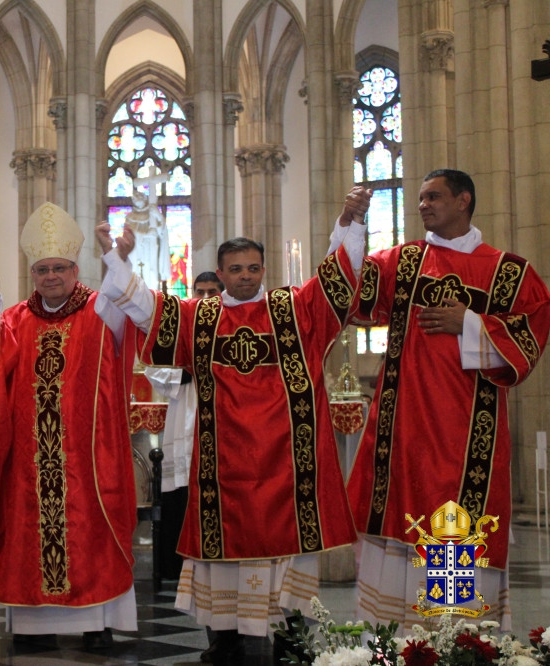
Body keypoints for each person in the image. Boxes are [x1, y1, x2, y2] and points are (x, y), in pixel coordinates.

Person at [98, 187, 371, 664]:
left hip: (288, 462)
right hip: (223, 466)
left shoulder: (295, 309)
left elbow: (338, 282)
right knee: (219, 554)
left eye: (253, 268)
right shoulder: (199, 317)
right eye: (235, 269)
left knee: (287, 554)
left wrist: (348, 223)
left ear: (263, 270)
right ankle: (224, 637)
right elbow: (145, 308)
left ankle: (292, 636)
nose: (245, 277)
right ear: (219, 273)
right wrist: (116, 261)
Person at [346, 169, 550, 630]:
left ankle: (454, 640)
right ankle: (398, 644)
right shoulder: (402, 261)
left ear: (464, 200)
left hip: (467, 434)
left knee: (453, 526)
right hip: (403, 429)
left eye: (433, 197)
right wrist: (352, 226)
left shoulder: (507, 270)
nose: (422, 205)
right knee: (400, 522)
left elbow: (533, 330)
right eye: (419, 198)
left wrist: (472, 323)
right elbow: (351, 294)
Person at [0, 201, 139, 650]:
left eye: (59, 268)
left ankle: (95, 622)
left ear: (76, 269)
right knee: (28, 533)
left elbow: (130, 306)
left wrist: (116, 259)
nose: (51, 277)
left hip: (85, 457)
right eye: (42, 270)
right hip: (30, 460)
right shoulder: (17, 317)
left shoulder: (101, 310)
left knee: (90, 533)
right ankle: (33, 627)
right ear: (33, 273)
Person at [143, 272, 222, 580]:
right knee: (182, 495)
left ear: (221, 293)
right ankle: (177, 568)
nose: (204, 298)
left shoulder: (232, 323)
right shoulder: (180, 324)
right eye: (199, 291)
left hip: (221, 422)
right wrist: (182, 375)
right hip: (184, 416)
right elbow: (152, 365)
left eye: (212, 292)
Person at [125, 187, 170, 290]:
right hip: (135, 251)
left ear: (145, 199)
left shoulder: (152, 214)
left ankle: (153, 295)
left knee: (151, 271)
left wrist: (158, 215)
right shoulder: (129, 217)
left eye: (139, 196)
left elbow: (162, 231)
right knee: (134, 272)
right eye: (134, 198)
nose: (137, 199)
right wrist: (146, 234)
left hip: (150, 248)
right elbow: (129, 234)